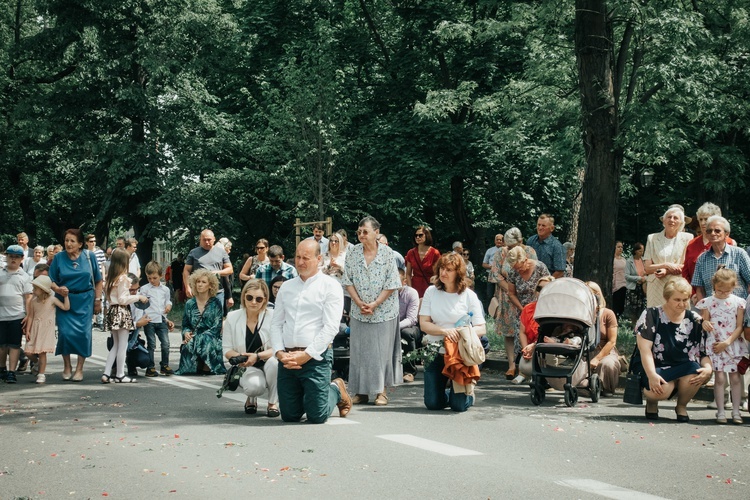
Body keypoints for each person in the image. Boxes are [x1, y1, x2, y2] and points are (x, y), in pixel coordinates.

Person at [270, 239, 351, 424]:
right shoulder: (287, 287)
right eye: (297, 257)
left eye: (306, 258)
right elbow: (276, 324)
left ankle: (336, 389)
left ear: (319, 259)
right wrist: (279, 353)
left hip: (316, 357)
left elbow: (331, 326)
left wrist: (307, 354)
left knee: (317, 416)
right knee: (290, 416)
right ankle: (310, 395)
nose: (300, 262)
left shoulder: (330, 286)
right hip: (288, 359)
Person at [342, 216, 402, 406]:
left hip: (384, 311)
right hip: (360, 310)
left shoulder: (387, 253)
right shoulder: (352, 253)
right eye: (359, 232)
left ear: (376, 232)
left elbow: (392, 283)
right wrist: (359, 303)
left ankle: (381, 391)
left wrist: (375, 303)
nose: (361, 235)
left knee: (381, 352)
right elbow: (347, 280)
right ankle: (361, 391)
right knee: (360, 351)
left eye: (365, 231)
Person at [635, 278, 712, 422]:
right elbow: (644, 350)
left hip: (683, 366)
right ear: (666, 298)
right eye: (677, 299)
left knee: (696, 371)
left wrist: (708, 368)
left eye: (685, 299)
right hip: (657, 366)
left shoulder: (695, 319)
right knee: (661, 391)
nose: (682, 304)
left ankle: (681, 406)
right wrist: (652, 375)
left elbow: (703, 351)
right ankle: (652, 402)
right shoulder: (651, 314)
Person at [419, 252, 486, 412]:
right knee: (433, 403)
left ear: (458, 273)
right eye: (441, 268)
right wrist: (445, 331)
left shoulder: (469, 295)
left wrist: (462, 333)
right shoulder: (431, 292)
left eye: (448, 269)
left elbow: (481, 327)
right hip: (435, 350)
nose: (443, 273)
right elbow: (424, 324)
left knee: (459, 406)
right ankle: (449, 393)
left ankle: (466, 395)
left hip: (459, 353)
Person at [48, 229, 103, 382]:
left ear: (80, 244)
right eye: (66, 240)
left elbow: (98, 280)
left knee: (84, 335)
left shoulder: (89, 256)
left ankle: (79, 368)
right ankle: (67, 366)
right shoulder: (58, 258)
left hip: (85, 299)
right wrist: (58, 289)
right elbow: (50, 280)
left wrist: (98, 300)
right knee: (65, 334)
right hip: (65, 300)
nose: (68, 244)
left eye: (72, 241)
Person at [695, 268, 747, 424]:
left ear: (733, 287)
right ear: (713, 286)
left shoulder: (738, 302)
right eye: (719, 290)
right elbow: (705, 320)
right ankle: (721, 411)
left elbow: (739, 326)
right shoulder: (708, 302)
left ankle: (736, 411)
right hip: (716, 344)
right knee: (719, 378)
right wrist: (705, 324)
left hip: (731, 343)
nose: (723, 293)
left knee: (736, 378)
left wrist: (727, 342)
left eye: (727, 291)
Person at [222, 279, 279, 417]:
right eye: (249, 297)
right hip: (246, 364)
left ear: (265, 299)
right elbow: (226, 349)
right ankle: (251, 398)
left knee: (275, 363)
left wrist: (258, 356)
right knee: (254, 387)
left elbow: (278, 347)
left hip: (267, 360)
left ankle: (272, 402)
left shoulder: (273, 316)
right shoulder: (232, 317)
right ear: (244, 297)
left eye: (258, 299)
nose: (253, 302)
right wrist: (241, 358)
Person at [489, 227, 538, 379]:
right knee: (509, 332)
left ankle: (527, 365)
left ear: (520, 241)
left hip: (527, 298)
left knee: (527, 330)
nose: (509, 248)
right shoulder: (500, 253)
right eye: (507, 246)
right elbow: (496, 275)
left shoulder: (530, 251)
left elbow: (536, 272)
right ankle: (511, 365)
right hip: (507, 297)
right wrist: (511, 290)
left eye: (512, 246)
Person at [101, 248, 148, 384]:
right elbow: (123, 299)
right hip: (121, 311)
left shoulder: (110, 278)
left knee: (115, 345)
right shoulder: (123, 279)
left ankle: (106, 372)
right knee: (122, 345)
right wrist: (138, 297)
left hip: (112, 311)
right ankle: (120, 374)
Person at [506, 245, 550, 375]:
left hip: (541, 309)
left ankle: (543, 371)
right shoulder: (513, 272)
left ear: (525, 259)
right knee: (520, 339)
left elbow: (549, 286)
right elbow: (511, 293)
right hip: (522, 309)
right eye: (515, 268)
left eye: (519, 267)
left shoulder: (540, 267)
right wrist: (522, 308)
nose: (518, 270)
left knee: (540, 336)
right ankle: (522, 370)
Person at [175, 269, 226, 375]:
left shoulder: (216, 303)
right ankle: (194, 366)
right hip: (194, 335)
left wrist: (199, 337)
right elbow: (185, 325)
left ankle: (207, 366)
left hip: (211, 336)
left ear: (210, 285)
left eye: (203, 282)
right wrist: (186, 333)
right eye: (198, 282)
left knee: (205, 340)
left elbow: (217, 327)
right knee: (189, 344)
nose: (200, 284)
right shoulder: (190, 303)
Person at [691, 216, 750, 302]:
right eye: (709, 231)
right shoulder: (701, 259)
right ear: (706, 234)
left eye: (717, 230)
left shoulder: (739, 254)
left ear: (727, 234)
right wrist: (703, 310)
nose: (713, 233)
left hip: (739, 310)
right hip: (713, 311)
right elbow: (699, 288)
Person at [643, 205, 692, 307]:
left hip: (678, 286)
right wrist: (666, 264)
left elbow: (688, 266)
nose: (672, 220)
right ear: (663, 221)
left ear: (681, 223)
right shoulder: (652, 238)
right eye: (669, 217)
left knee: (678, 317)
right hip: (656, 286)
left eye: (675, 218)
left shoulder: (688, 238)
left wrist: (667, 270)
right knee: (656, 318)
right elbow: (647, 268)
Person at [23, 275, 69, 384]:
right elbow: (30, 316)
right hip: (35, 327)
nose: (33, 291)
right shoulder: (33, 301)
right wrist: (28, 330)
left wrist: (66, 297)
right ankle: (37, 363)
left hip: (46, 329)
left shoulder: (52, 299)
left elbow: (65, 307)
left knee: (42, 352)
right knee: (28, 351)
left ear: (43, 289)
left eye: (35, 288)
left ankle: (41, 374)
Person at [682, 202, 734, 295]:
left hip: (724, 295)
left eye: (706, 219)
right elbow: (686, 273)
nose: (702, 223)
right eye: (700, 219)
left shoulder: (728, 242)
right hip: (696, 296)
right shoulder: (692, 244)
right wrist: (693, 294)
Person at [0, 245, 33, 384]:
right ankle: (2, 369)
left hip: (17, 315)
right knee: (1, 345)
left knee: (14, 345)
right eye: (10, 256)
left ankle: (11, 372)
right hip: (1, 315)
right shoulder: (0, 273)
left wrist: (28, 315)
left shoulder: (25, 277)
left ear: (21, 259)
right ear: (6, 257)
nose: (13, 259)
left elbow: (28, 298)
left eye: (16, 257)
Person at [183, 230, 234, 312]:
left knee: (216, 320)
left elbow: (230, 269)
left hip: (217, 292)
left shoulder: (222, 252)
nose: (207, 242)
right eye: (204, 240)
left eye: (209, 239)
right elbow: (186, 270)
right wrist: (187, 287)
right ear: (200, 240)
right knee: (199, 319)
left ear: (214, 239)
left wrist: (217, 272)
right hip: (199, 293)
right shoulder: (193, 252)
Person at [516, 276, 555, 384]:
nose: (541, 292)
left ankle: (547, 379)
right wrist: (526, 349)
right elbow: (522, 332)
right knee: (525, 367)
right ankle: (528, 374)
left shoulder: (557, 310)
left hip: (550, 348)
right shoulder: (528, 308)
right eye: (539, 288)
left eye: (545, 289)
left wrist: (534, 346)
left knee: (545, 359)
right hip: (531, 348)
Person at [586, 282, 621, 396]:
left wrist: (597, 358)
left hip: (605, 350)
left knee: (607, 364)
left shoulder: (608, 314)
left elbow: (612, 341)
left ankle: (606, 388)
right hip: (585, 350)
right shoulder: (581, 314)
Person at [140, 261, 173, 377]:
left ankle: (164, 365)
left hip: (161, 318)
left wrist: (169, 306)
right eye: (149, 278)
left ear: (160, 276)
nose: (152, 281)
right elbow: (141, 305)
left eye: (154, 278)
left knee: (165, 343)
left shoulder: (165, 290)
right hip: (149, 320)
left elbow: (167, 301)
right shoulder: (144, 289)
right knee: (151, 344)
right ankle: (150, 367)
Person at [404, 226, 441, 298]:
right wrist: (410, 289)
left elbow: (438, 272)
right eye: (416, 235)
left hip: (429, 286)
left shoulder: (435, 253)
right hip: (415, 286)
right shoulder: (411, 253)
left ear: (426, 236)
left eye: (420, 235)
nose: (417, 237)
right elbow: (408, 274)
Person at [397, 268, 420, 382]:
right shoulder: (384, 292)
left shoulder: (411, 293)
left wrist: (395, 327)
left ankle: (409, 371)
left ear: (404, 281)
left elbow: (411, 319)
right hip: (388, 325)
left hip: (409, 326)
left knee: (406, 333)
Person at [526, 214, 566, 278]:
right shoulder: (530, 241)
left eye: (543, 225)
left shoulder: (557, 246)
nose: (540, 228)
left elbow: (560, 271)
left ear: (552, 228)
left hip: (547, 283)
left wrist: (545, 283)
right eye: (538, 225)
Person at [322, 232, 350, 317]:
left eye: (336, 241)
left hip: (342, 287)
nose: (333, 243)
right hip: (326, 287)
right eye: (331, 241)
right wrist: (329, 266)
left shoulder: (346, 256)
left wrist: (339, 268)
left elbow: (350, 274)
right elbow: (318, 273)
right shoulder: (324, 256)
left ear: (340, 242)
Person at [86, 234, 106, 330]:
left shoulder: (100, 252)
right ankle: (90, 321)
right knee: (90, 299)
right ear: (86, 243)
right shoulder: (85, 253)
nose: (93, 243)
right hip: (89, 278)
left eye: (94, 241)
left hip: (98, 278)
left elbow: (103, 266)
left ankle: (100, 321)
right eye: (91, 241)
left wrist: (104, 279)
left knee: (100, 299)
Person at [625, 242, 648, 319]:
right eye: (640, 251)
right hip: (633, 288)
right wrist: (638, 278)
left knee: (642, 307)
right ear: (635, 251)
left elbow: (648, 273)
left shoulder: (644, 260)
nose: (642, 253)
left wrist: (645, 279)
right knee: (632, 309)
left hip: (643, 287)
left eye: (643, 251)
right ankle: (631, 326)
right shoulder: (629, 261)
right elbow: (627, 276)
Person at [483, 233, 504, 300]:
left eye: (500, 240)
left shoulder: (506, 250)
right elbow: (484, 264)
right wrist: (492, 267)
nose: (499, 241)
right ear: (495, 241)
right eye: (497, 240)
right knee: (490, 294)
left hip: (502, 276)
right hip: (491, 274)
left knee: (501, 295)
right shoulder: (489, 250)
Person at [612, 241, 627, 318]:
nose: (620, 249)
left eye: (621, 247)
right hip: (615, 284)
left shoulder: (624, 260)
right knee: (615, 304)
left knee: (621, 306)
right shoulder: (612, 259)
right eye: (618, 247)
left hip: (623, 284)